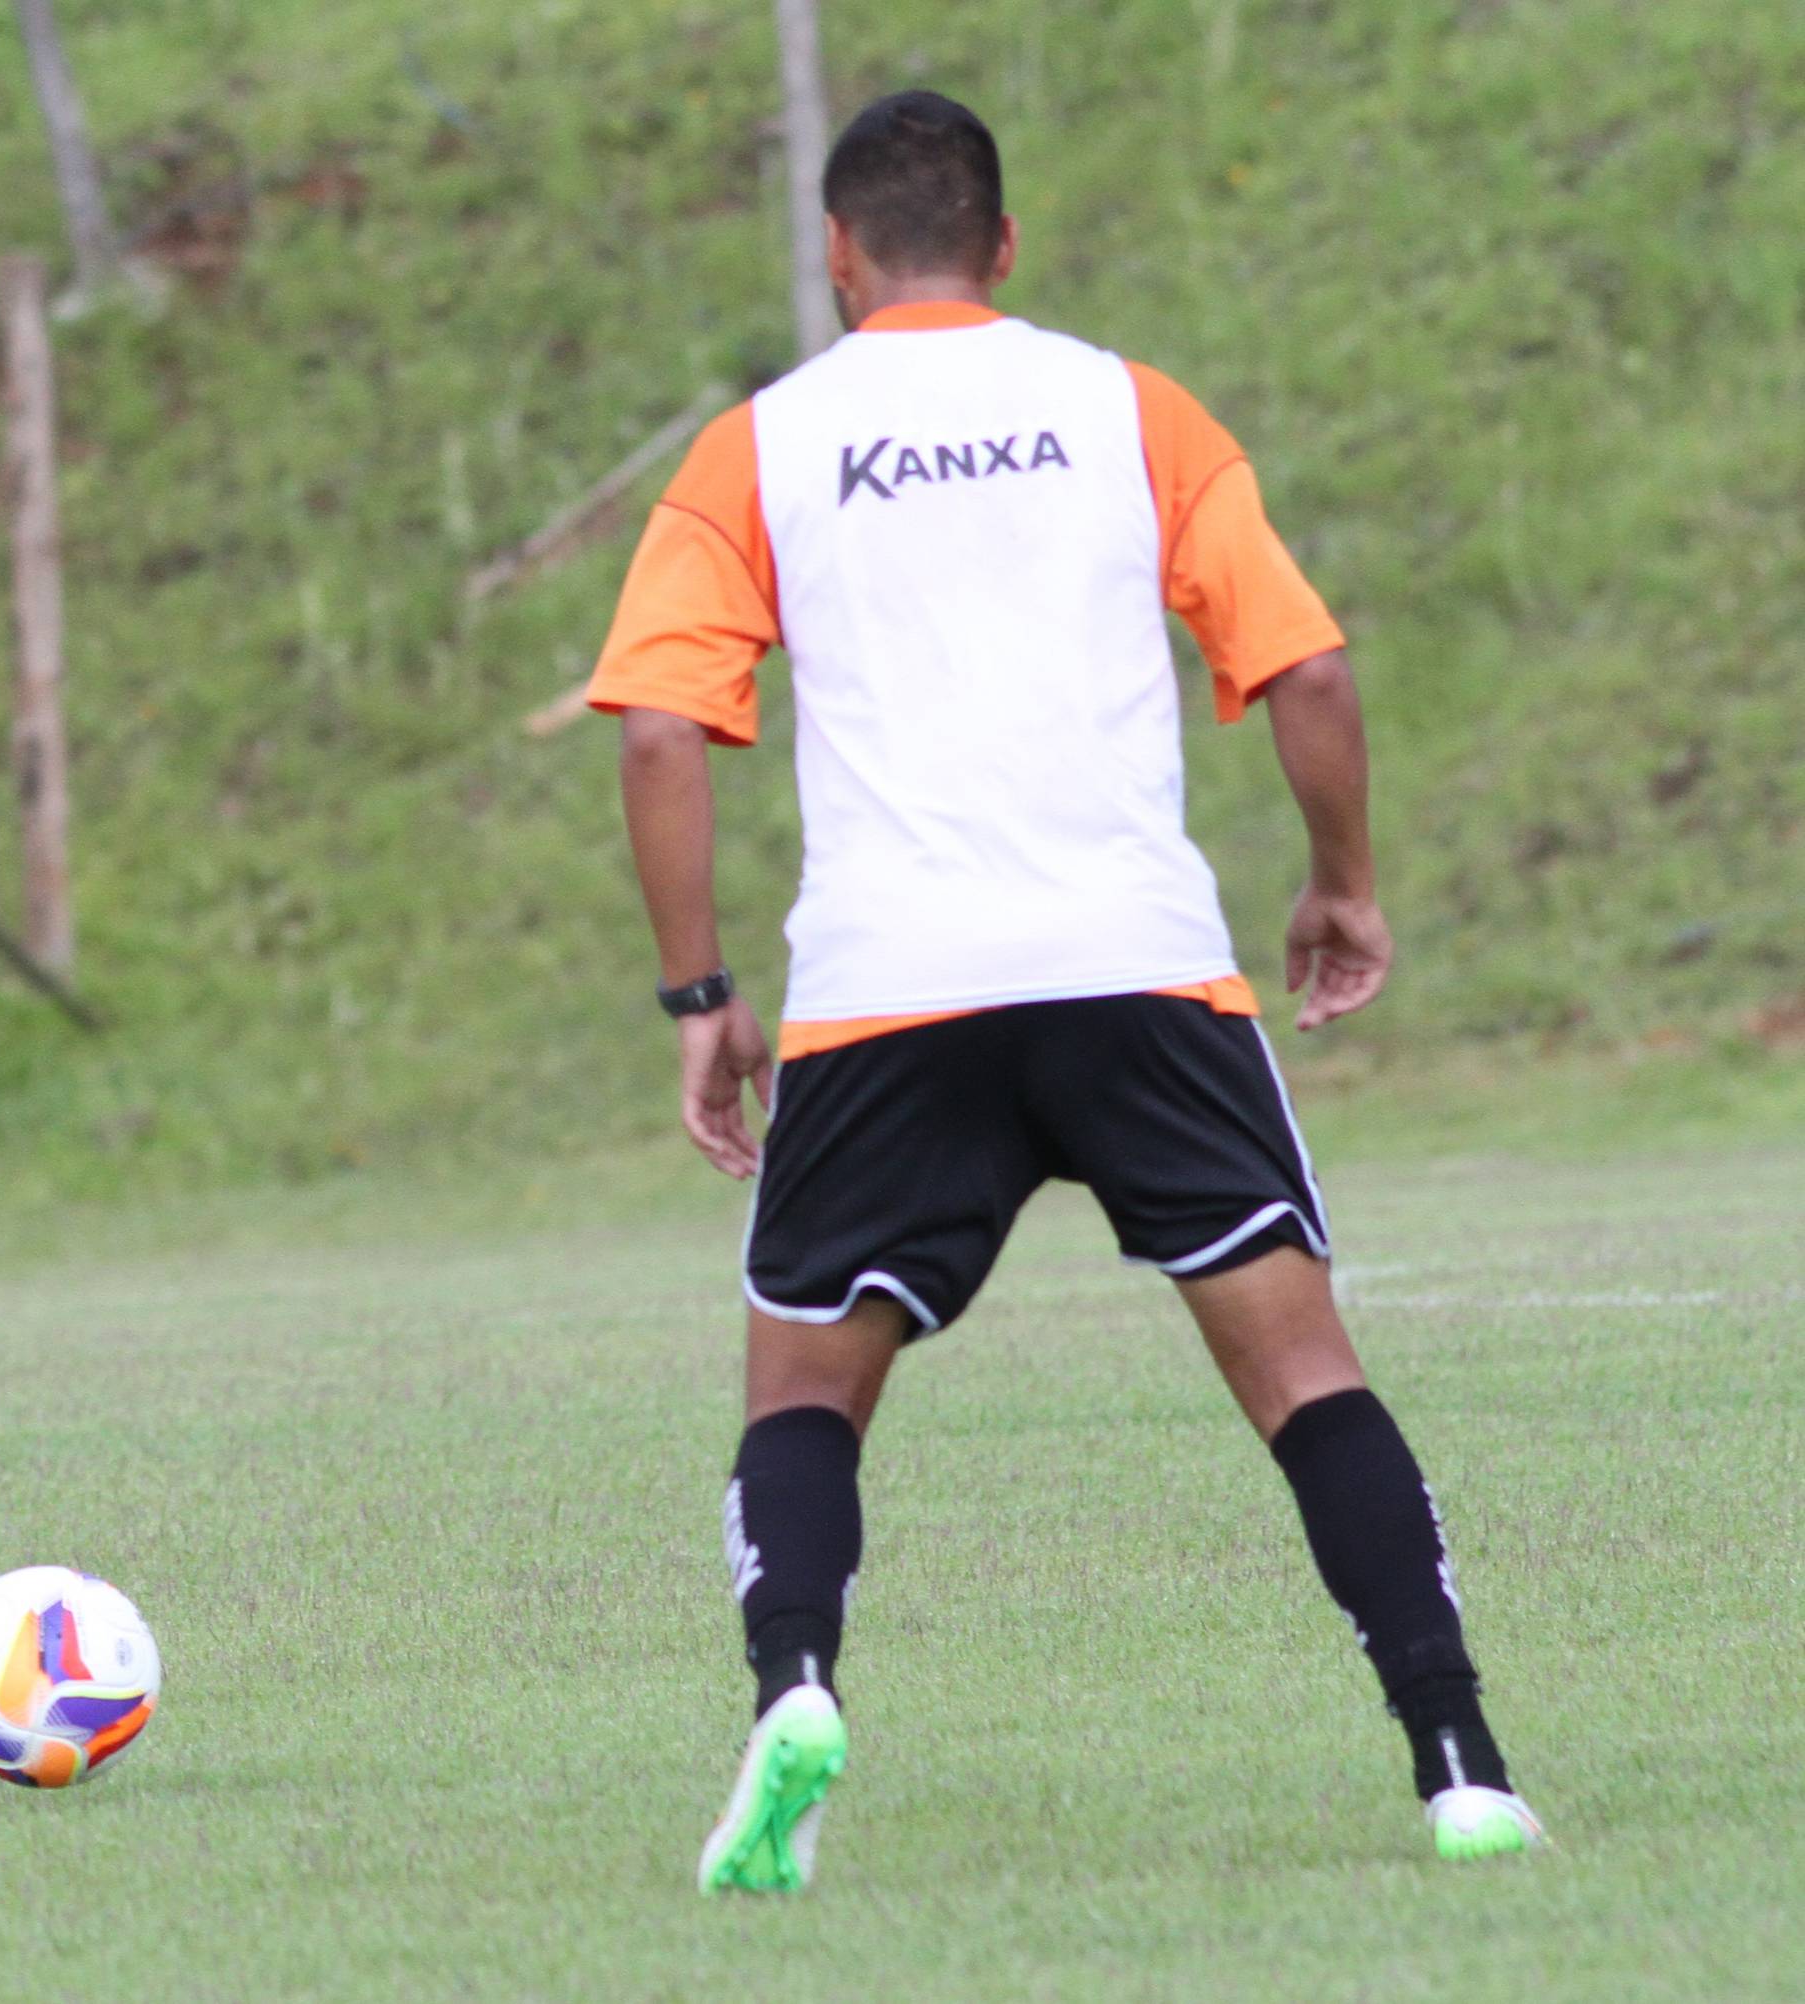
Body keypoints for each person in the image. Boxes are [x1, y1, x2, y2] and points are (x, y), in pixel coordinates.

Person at [588, 91, 1545, 1890]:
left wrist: (698, 993)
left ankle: (797, 1690)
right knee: (1305, 1378)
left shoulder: (760, 447)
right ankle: (1461, 1768)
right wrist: (1341, 883)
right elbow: (1311, 673)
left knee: (802, 1398)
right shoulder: (1131, 409)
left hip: (889, 993)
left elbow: (657, 731)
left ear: (838, 255)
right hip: (1136, 972)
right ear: (1007, 244)